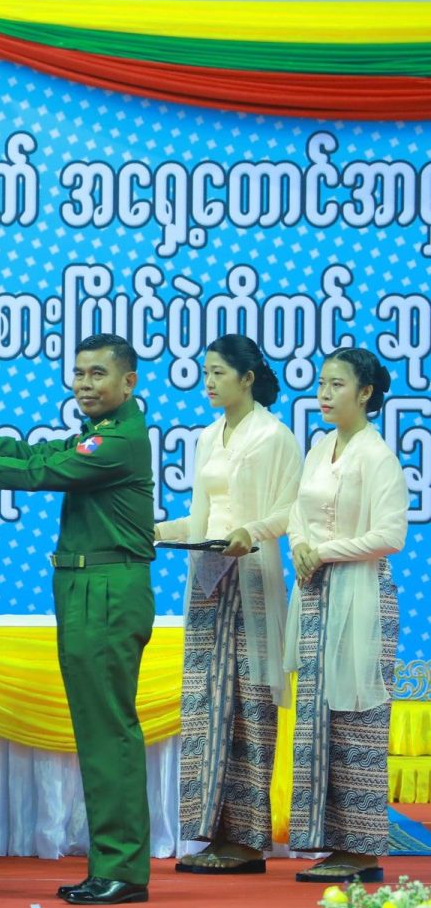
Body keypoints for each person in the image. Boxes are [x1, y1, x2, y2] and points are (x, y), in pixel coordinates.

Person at [0, 333, 154, 906]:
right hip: (85, 585)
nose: (85, 384)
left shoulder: (119, 440)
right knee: (97, 729)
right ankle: (113, 864)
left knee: (108, 730)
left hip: (106, 588)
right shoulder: (99, 433)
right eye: (79, 373)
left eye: (98, 373)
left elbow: (34, 476)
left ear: (128, 382)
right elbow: (34, 457)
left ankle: (123, 867)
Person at [155, 336, 301, 875]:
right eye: (205, 373)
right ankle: (212, 832)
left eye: (218, 372)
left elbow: (292, 510)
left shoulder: (274, 436)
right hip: (207, 578)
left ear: (247, 378)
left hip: (251, 577)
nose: (209, 382)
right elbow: (203, 515)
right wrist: (162, 530)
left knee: (248, 702)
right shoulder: (208, 435)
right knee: (206, 703)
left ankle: (248, 840)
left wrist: (251, 532)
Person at [285, 348, 408, 883]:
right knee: (318, 719)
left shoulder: (377, 456)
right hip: (315, 594)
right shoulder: (319, 448)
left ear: (366, 393)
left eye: (337, 384)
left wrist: (324, 550)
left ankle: (361, 852)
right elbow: (296, 512)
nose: (324, 393)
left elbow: (391, 535)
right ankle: (330, 841)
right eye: (321, 383)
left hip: (360, 595)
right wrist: (299, 544)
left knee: (357, 720)